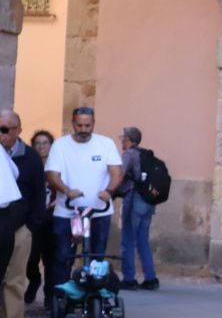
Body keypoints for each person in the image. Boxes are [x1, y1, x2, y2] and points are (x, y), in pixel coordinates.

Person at [44, 107, 122, 295]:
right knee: (63, 256)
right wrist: (66, 191)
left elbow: (116, 172)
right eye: (79, 125)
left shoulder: (105, 144)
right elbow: (52, 174)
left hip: (98, 211)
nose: (83, 129)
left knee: (96, 257)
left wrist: (109, 191)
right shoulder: (61, 145)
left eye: (87, 125)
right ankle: (61, 297)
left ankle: (93, 295)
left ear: (93, 124)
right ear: (73, 124)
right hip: (67, 212)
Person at [0, 110, 38, 318]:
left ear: (18, 131)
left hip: (19, 228)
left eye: (5, 129)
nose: (1, 134)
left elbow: (38, 195)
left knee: (13, 280)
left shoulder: (30, 158)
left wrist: (30, 226)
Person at [115, 126, 158, 290]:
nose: (121, 140)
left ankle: (129, 278)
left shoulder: (129, 154)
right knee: (142, 240)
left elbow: (120, 175)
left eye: (123, 137)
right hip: (148, 201)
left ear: (128, 139)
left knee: (127, 238)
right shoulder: (145, 154)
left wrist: (109, 191)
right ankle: (150, 278)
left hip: (134, 199)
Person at [23, 129, 54, 304]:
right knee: (31, 257)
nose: (42, 147)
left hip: (53, 219)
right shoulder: (30, 166)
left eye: (45, 143)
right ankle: (34, 281)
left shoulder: (57, 166)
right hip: (34, 218)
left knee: (50, 258)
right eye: (38, 143)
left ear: (51, 146)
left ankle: (50, 295)